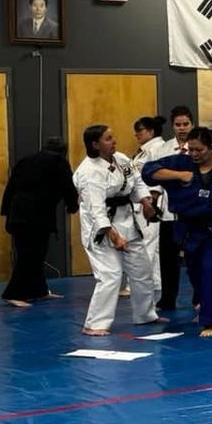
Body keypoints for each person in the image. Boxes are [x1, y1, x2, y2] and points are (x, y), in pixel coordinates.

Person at [141, 127, 212, 337]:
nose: (194, 154)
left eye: (199, 150)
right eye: (191, 149)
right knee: (194, 271)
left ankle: (210, 321)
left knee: (210, 270)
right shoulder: (181, 163)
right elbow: (148, 171)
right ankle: (204, 302)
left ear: (211, 148)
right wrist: (179, 175)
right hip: (188, 229)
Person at [72, 124, 160, 336]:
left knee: (142, 270)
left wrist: (146, 202)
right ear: (95, 144)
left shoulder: (121, 159)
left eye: (113, 137)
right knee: (110, 275)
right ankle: (95, 324)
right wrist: (114, 236)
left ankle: (146, 315)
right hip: (100, 229)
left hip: (127, 221)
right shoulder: (89, 172)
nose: (114, 142)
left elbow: (137, 182)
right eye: (108, 139)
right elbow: (96, 210)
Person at [0, 137, 76, 306]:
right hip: (36, 216)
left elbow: (10, 187)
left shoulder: (25, 161)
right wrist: (73, 206)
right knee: (30, 255)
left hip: (17, 214)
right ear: (63, 151)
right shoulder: (59, 162)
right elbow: (68, 186)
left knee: (35, 254)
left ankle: (38, 290)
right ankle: (13, 293)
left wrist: (6, 212)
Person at [156, 106, 197, 314]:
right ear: (172, 126)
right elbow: (154, 176)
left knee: (195, 257)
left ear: (192, 125)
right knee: (167, 259)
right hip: (169, 213)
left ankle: (199, 297)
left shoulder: (201, 148)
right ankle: (167, 299)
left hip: (193, 212)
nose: (182, 128)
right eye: (178, 125)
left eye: (186, 124)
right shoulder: (163, 149)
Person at [131, 115, 175, 310]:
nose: (136, 135)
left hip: (152, 201)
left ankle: (143, 283)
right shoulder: (143, 151)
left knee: (147, 243)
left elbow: (157, 177)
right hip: (143, 200)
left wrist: (151, 200)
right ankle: (155, 281)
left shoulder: (158, 148)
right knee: (153, 246)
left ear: (150, 131)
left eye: (140, 131)